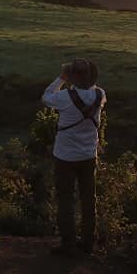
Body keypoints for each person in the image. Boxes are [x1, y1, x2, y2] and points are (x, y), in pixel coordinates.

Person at [42, 58, 106, 255]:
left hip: (65, 156)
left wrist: (61, 78)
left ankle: (68, 244)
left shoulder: (63, 97)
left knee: (66, 199)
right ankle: (88, 243)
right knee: (88, 199)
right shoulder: (100, 94)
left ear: (71, 75)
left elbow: (45, 97)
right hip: (88, 155)